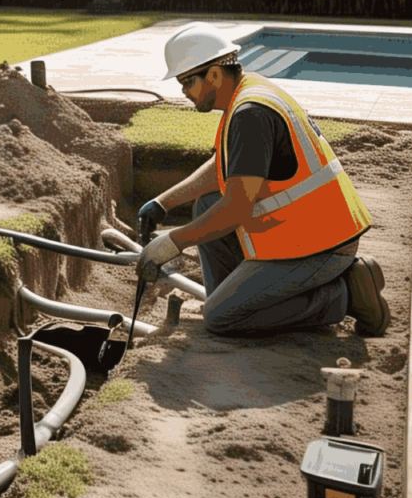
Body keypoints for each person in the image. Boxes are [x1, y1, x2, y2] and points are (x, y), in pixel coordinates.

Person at [134, 22, 389, 337]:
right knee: (207, 205)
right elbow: (224, 168)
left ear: (213, 75)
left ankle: (346, 294)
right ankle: (238, 299)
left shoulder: (250, 114)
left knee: (220, 318)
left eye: (187, 82)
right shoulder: (250, 91)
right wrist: (164, 202)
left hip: (323, 245)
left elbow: (236, 209)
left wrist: (171, 243)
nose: (183, 91)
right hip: (307, 230)